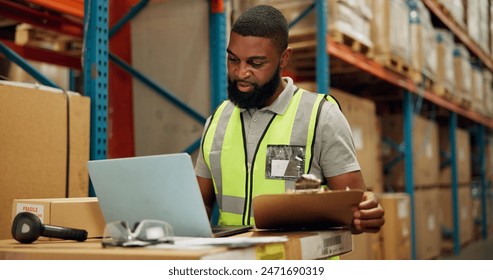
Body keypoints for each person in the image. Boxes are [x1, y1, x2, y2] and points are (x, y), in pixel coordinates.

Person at [195, 4, 384, 234]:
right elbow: (198, 208)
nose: (241, 72)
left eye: (256, 63)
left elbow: (354, 210)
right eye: (233, 60)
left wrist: (366, 212)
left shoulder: (321, 116)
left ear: (284, 58)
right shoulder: (217, 121)